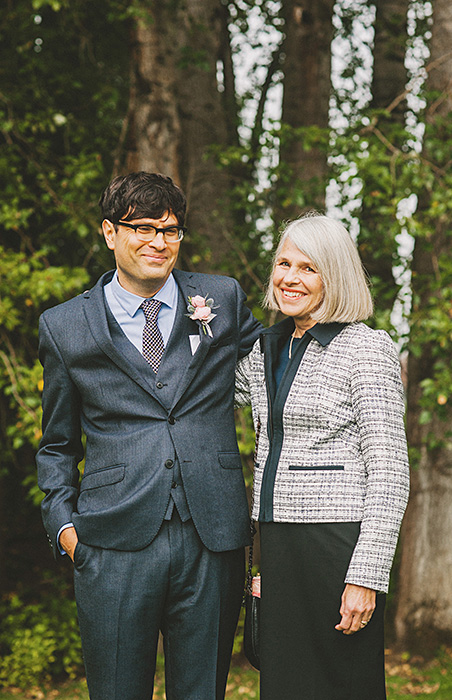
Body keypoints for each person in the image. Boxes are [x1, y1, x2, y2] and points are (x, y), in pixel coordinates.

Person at [36, 171, 262, 700]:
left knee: (202, 691)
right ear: (109, 232)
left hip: (212, 534)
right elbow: (57, 443)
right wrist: (65, 525)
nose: (158, 243)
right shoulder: (64, 326)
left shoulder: (221, 298)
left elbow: (278, 359)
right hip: (111, 540)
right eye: (142, 228)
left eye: (171, 230)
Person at [235, 213, 410, 700]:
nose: (290, 277)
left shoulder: (367, 348)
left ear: (334, 275)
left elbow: (390, 471)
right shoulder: (267, 347)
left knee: (340, 685)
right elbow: (203, 397)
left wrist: (366, 577)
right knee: (285, 684)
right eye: (284, 263)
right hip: (275, 542)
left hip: (335, 545)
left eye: (309, 268)